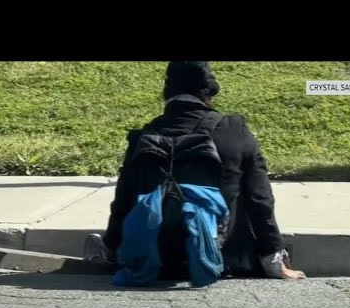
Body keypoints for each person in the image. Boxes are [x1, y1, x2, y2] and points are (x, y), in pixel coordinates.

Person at [84, 61, 306, 281]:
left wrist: (111, 247)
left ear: (166, 92)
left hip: (156, 259)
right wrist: (273, 258)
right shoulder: (233, 131)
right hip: (221, 258)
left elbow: (122, 201)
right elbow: (260, 198)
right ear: (209, 93)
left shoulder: (145, 137)